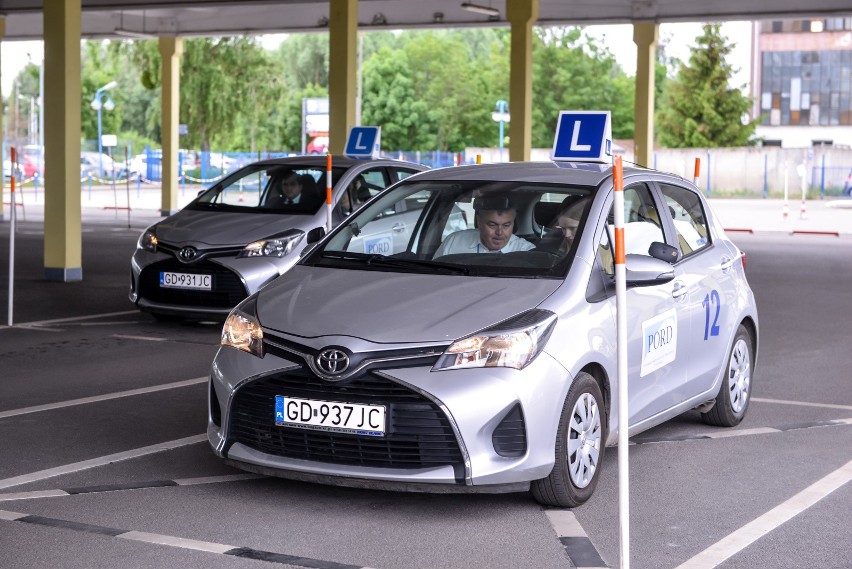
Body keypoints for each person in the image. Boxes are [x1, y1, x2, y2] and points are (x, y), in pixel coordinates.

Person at [434, 194, 534, 257]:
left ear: (513, 223)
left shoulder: (526, 252)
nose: (499, 232)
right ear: (479, 222)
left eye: (506, 225)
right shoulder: (453, 243)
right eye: (492, 225)